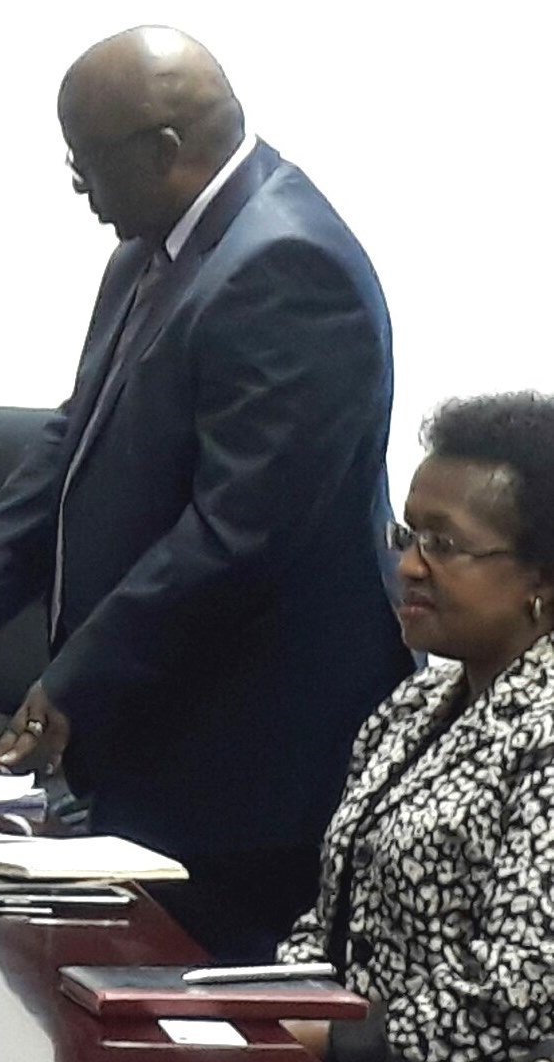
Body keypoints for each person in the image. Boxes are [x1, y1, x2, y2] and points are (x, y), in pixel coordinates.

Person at [0, 26, 414, 960]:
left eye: (86, 162)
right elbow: (75, 432)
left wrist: (75, 678)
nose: (76, 186)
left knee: (192, 1004)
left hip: (247, 750)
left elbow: (239, 531)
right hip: (159, 727)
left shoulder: (289, 265)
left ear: (167, 151)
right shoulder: (152, 251)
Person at [277, 394, 554, 1061]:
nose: (407, 566)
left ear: (542, 577)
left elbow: (526, 989)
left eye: (443, 545)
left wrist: (338, 1042)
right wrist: (274, 1001)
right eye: (407, 536)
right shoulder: (415, 702)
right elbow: (333, 913)